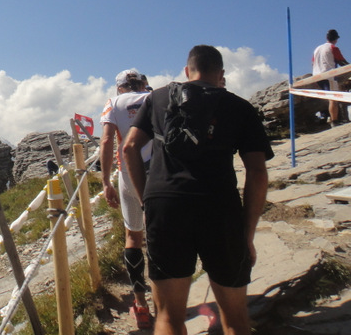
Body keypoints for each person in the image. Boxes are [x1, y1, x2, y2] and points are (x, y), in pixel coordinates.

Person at [123, 45, 273, 335]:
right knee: (235, 319)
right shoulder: (239, 106)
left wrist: (147, 201)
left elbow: (129, 147)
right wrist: (247, 234)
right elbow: (257, 172)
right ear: (221, 75)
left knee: (168, 316)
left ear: (186, 71)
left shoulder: (157, 98)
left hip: (165, 204)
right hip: (219, 205)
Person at [100, 69, 153, 329]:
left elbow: (108, 140)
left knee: (133, 235)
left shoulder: (113, 103)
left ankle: (141, 304)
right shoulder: (155, 97)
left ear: (120, 87)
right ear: (143, 83)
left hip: (128, 173)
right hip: (158, 171)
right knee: (161, 233)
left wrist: (105, 181)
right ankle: (167, 298)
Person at [312, 29, 349, 127]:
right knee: (333, 98)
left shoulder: (317, 49)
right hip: (329, 75)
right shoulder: (333, 48)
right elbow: (342, 62)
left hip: (316, 76)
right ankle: (334, 121)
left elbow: (313, 62)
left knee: (327, 98)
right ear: (336, 39)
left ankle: (327, 117)